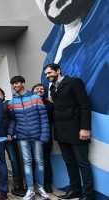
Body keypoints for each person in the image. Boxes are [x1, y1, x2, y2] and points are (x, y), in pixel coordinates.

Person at [44, 64, 94, 200]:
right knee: (69, 162)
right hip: (61, 132)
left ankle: (89, 195)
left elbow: (84, 105)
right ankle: (75, 190)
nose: (48, 76)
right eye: (46, 74)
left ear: (58, 70)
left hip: (77, 130)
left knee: (82, 162)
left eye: (50, 73)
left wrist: (85, 128)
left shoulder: (73, 82)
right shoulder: (53, 89)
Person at [8, 76, 50, 200]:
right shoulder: (11, 102)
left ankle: (41, 187)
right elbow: (13, 120)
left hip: (37, 136)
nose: (14, 86)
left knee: (39, 161)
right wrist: (10, 132)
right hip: (22, 137)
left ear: (23, 84)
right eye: (13, 84)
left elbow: (44, 118)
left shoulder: (36, 98)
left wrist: (44, 136)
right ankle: (30, 189)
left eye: (16, 83)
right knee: (26, 162)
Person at [0, 87, 26, 196]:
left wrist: (10, 133)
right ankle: (2, 182)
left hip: (9, 137)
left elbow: (14, 119)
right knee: (0, 161)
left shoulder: (8, 104)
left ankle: (17, 181)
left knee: (13, 159)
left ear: (3, 94)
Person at [32, 83, 54, 193]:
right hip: (32, 137)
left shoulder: (49, 104)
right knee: (31, 161)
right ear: (32, 91)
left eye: (42, 89)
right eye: (37, 89)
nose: (40, 90)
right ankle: (34, 183)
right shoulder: (28, 103)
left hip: (46, 137)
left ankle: (47, 184)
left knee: (45, 160)